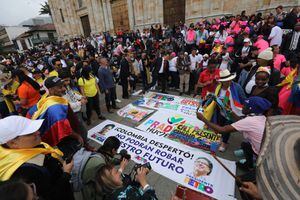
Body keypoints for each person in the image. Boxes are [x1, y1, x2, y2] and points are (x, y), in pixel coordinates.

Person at [0, 116, 75, 200]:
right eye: (30, 133)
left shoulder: (26, 147)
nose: (38, 132)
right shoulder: (25, 172)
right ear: (13, 143)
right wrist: (66, 174)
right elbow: (51, 196)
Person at [198, 96, 272, 171]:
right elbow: (241, 121)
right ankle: (250, 164)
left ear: (250, 109)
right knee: (245, 145)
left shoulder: (250, 121)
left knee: (242, 179)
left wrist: (203, 119)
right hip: (266, 149)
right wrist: (231, 112)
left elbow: (222, 130)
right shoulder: (260, 117)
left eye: (245, 106)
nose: (242, 107)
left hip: (264, 155)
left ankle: (253, 169)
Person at [27, 76, 84, 147]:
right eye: (60, 87)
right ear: (51, 90)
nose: (64, 89)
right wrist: (77, 136)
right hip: (64, 139)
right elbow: (64, 128)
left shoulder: (47, 97)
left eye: (63, 86)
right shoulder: (55, 107)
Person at [203, 69, 246, 152]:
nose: (228, 82)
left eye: (229, 80)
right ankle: (222, 138)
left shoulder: (237, 87)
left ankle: (224, 143)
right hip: (220, 111)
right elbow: (215, 96)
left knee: (226, 128)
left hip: (232, 113)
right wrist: (208, 102)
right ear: (222, 82)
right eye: (225, 81)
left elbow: (243, 99)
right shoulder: (218, 87)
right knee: (220, 125)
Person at [59, 70, 88, 142]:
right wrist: (80, 103)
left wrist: (81, 97)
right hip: (73, 113)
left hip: (78, 110)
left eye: (69, 80)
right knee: (82, 130)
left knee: (81, 128)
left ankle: (84, 141)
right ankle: (84, 142)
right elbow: (68, 106)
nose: (68, 82)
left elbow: (73, 94)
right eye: (66, 80)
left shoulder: (67, 86)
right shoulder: (60, 92)